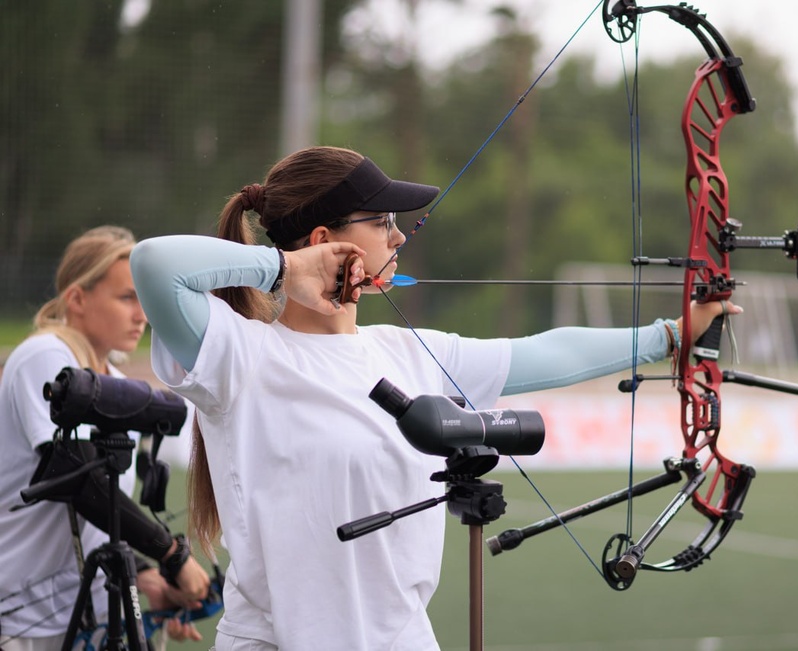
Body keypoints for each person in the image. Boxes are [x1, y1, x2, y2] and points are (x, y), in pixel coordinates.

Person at [130, 145, 740, 651]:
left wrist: (670, 334)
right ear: (326, 240)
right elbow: (155, 264)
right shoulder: (240, 353)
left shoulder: (409, 351)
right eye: (382, 223)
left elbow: (545, 353)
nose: (399, 237)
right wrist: (285, 268)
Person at [0, 226, 212, 651]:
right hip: (24, 619)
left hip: (88, 609)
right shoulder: (47, 356)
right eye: (127, 297)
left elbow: (97, 516)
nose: (142, 314)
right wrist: (171, 555)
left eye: (144, 299)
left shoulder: (112, 383)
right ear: (77, 298)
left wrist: (146, 577)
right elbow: (76, 475)